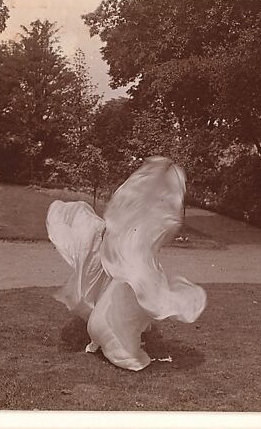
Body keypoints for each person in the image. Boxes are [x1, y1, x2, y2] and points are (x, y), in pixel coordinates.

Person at [46, 156, 207, 371]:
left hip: (129, 254)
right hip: (124, 252)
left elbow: (147, 226)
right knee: (125, 288)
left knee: (129, 288)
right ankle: (112, 334)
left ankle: (113, 332)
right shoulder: (136, 208)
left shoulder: (143, 214)